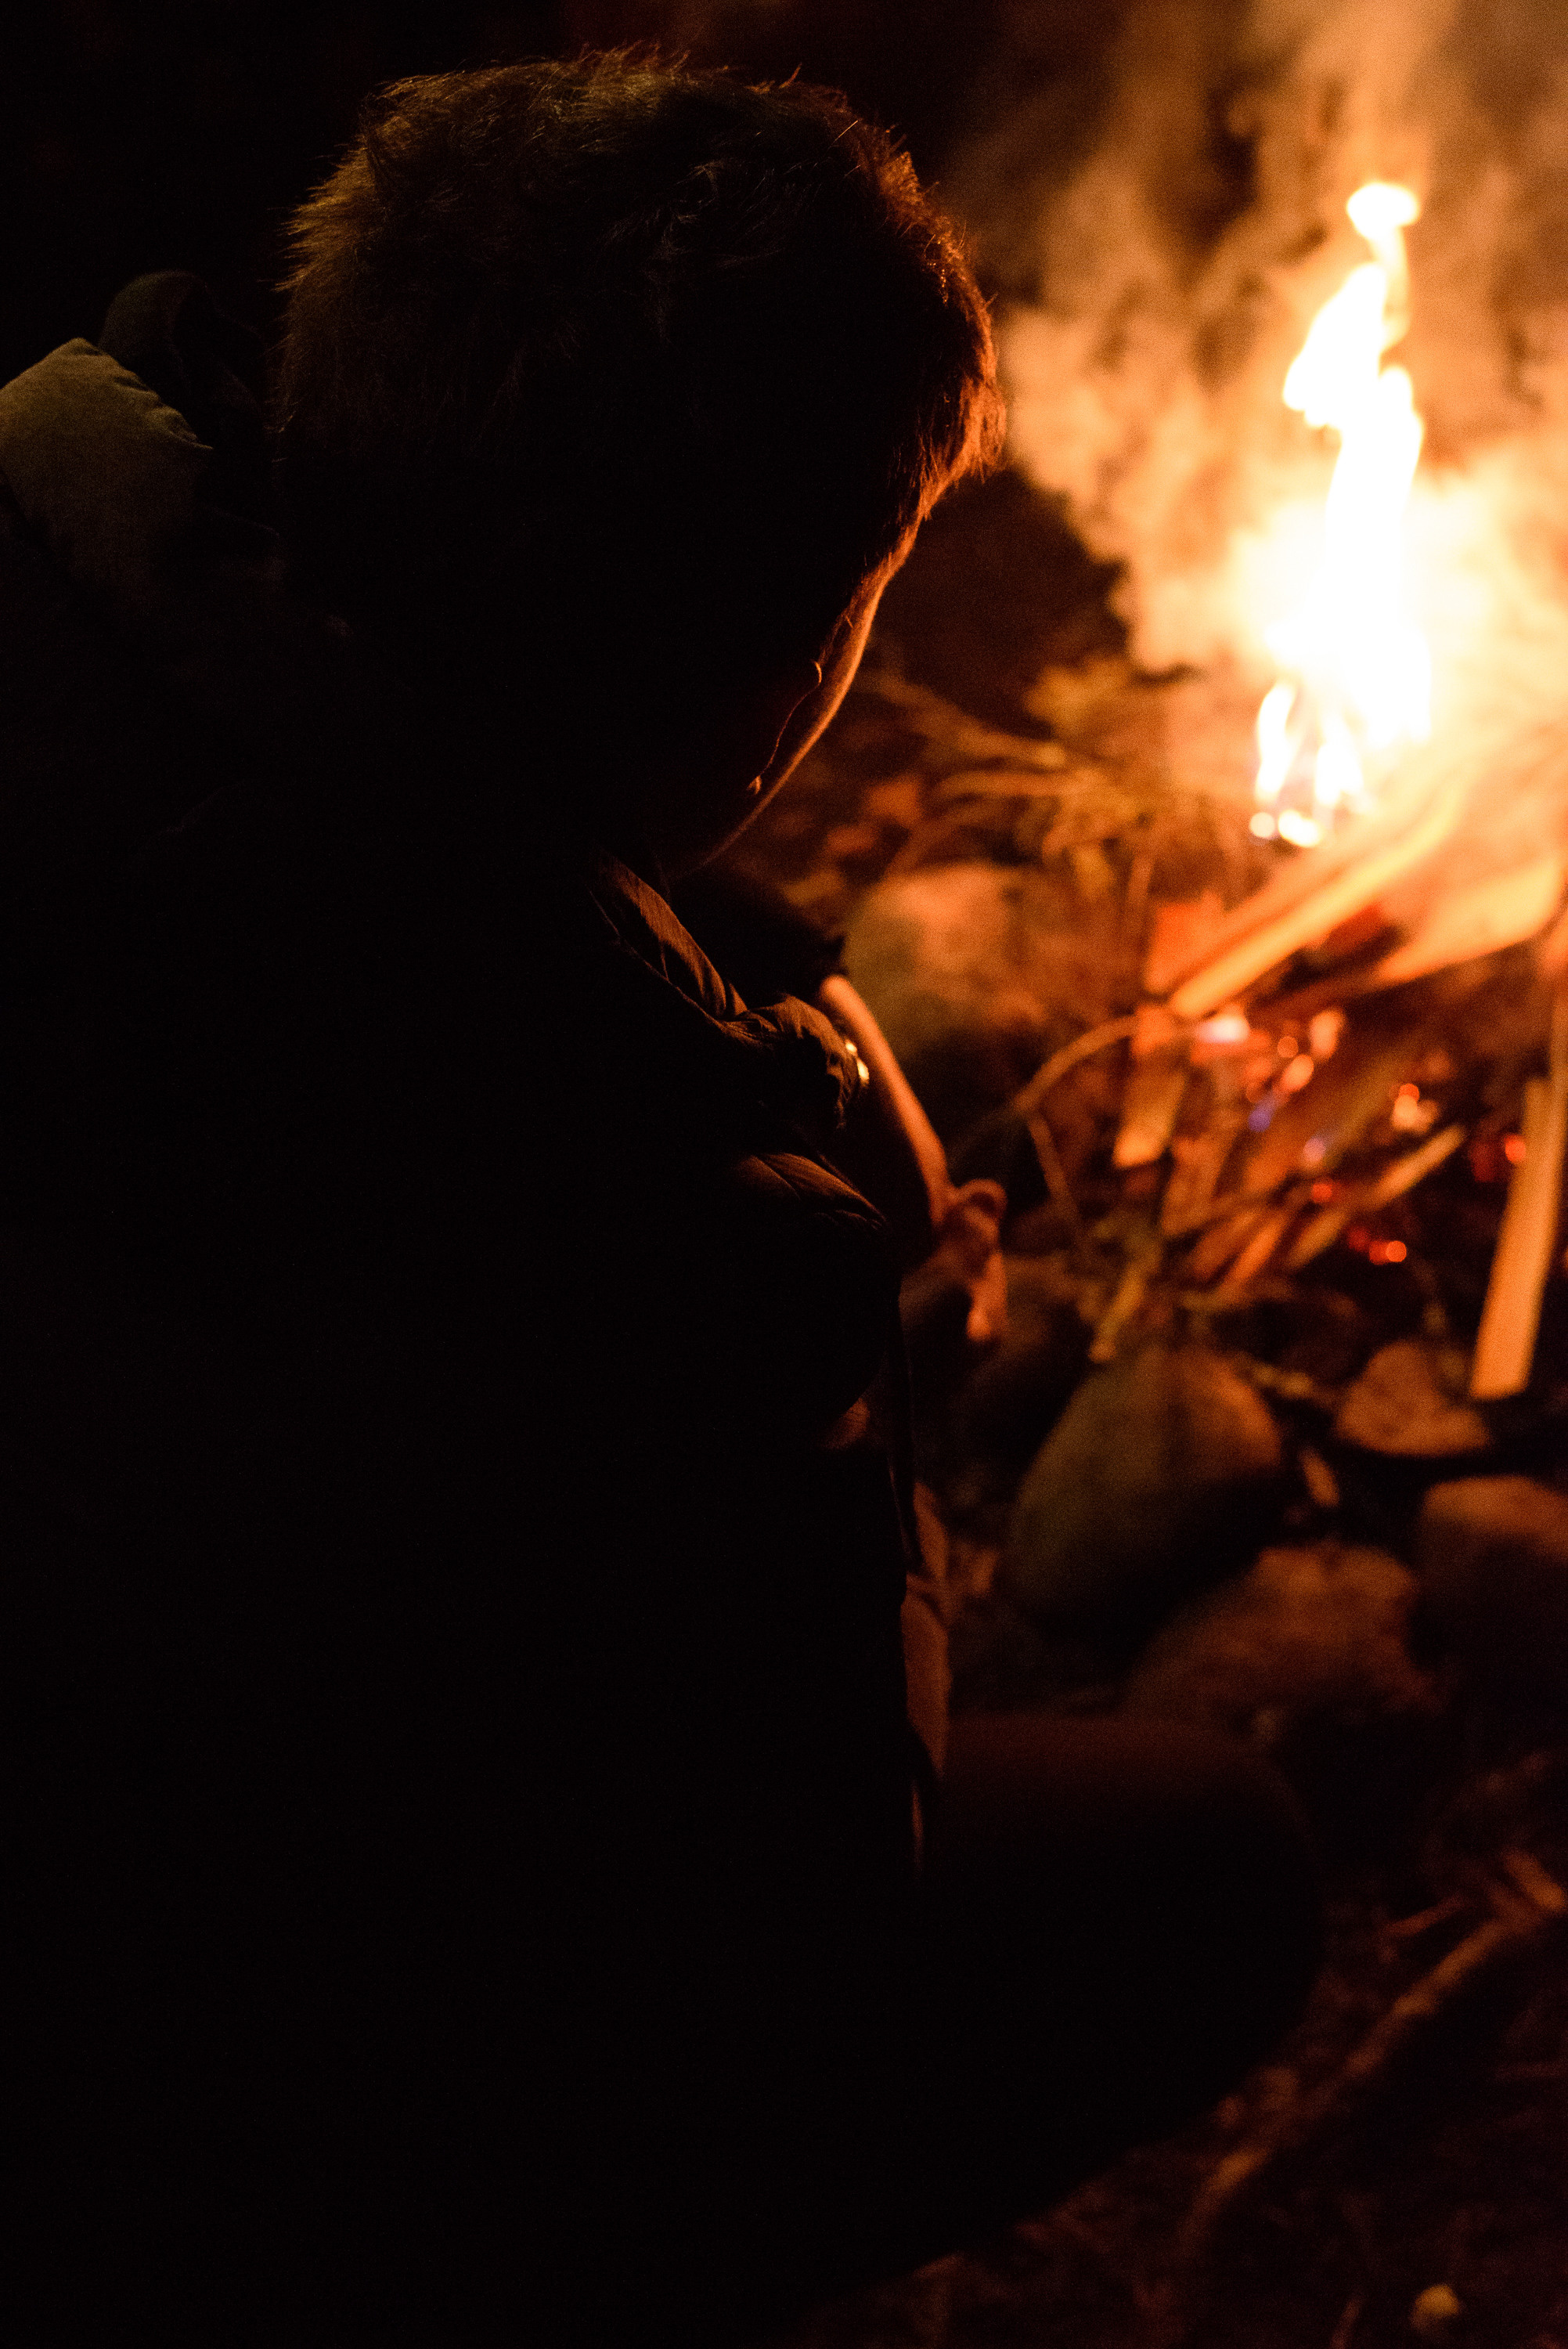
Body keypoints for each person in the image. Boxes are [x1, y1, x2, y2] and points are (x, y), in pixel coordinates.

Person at [2, 52, 1319, 2346]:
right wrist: (863, 1423)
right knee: (1211, 1865)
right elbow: (801, 1877)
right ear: (794, 657)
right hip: (195, 2079)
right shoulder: (663, 1229)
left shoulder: (65, 609)